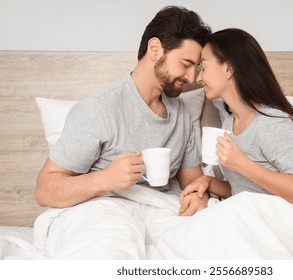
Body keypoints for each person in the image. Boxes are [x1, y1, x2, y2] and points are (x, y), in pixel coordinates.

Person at [34, 6, 212, 259]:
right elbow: (44, 190)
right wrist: (105, 179)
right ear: (155, 49)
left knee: (217, 238)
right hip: (102, 209)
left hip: (159, 210)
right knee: (113, 250)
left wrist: (199, 197)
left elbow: (192, 181)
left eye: (196, 67)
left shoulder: (181, 112)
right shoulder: (99, 109)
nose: (191, 76)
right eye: (186, 64)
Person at [180, 28, 293, 212]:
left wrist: (244, 164)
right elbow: (245, 190)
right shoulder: (228, 125)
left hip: (285, 218)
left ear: (228, 69)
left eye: (204, 67)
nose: (198, 78)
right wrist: (208, 181)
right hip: (251, 214)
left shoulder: (272, 123)